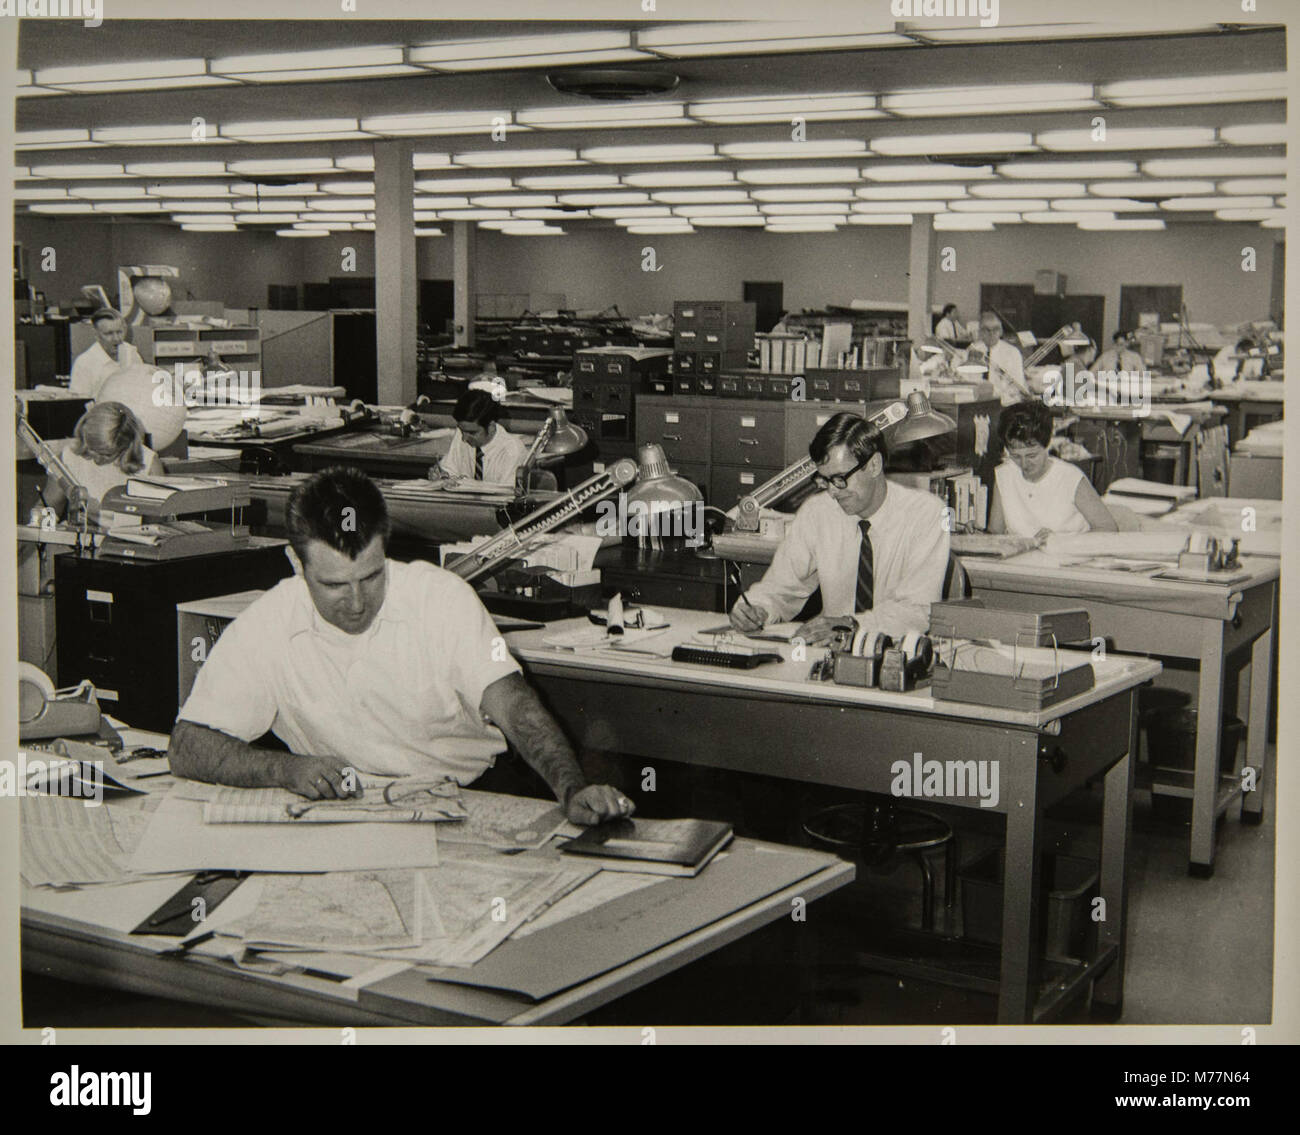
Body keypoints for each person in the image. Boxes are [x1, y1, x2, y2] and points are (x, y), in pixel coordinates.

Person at [169, 466, 629, 825]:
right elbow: (188, 745)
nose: (355, 602)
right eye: (333, 584)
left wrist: (571, 788)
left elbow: (513, 705)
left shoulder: (441, 598)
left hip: (468, 794)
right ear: (295, 562)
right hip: (346, 811)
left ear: (385, 549)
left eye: (371, 576)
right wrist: (285, 770)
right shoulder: (267, 624)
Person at [728, 412, 949, 643]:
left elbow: (917, 611)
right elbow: (781, 586)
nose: (832, 492)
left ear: (874, 465)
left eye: (840, 478)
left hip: (898, 652)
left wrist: (850, 625)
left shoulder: (927, 513)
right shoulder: (818, 512)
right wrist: (757, 608)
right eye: (824, 480)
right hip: (832, 653)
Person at [988, 401, 1116, 540]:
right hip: (1023, 560)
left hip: (1066, 559)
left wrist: (1062, 541)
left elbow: (1108, 529)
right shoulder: (1004, 475)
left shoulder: (1069, 477)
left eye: (1032, 455)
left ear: (1047, 445)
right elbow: (995, 534)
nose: (1024, 464)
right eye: (1016, 456)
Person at [44, 401, 164, 524]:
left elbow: (158, 527)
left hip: (130, 541)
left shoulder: (149, 464)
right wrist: (45, 530)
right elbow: (49, 506)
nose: (96, 459)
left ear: (126, 447)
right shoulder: (70, 455)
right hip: (82, 539)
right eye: (91, 449)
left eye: (106, 454)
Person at [438, 386, 530, 485]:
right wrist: (442, 476)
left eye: (472, 433)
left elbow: (505, 495)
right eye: (461, 431)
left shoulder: (513, 451)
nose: (464, 438)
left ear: (491, 426)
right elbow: (449, 470)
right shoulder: (463, 433)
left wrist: (464, 483)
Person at [69, 309, 143, 399]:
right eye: (109, 333)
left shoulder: (131, 353)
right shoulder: (84, 363)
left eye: (119, 332)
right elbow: (80, 402)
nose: (116, 338)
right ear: (96, 335)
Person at [970, 311, 1030, 405]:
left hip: (1005, 402)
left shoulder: (1012, 353)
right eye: (986, 329)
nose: (991, 333)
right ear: (980, 332)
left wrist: (995, 394)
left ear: (1001, 332)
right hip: (976, 402)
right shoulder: (973, 349)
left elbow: (1017, 385)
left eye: (995, 329)